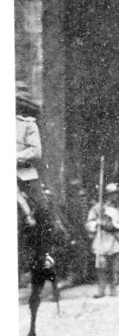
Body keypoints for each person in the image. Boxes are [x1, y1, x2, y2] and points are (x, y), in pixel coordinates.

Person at [16, 81, 54, 271]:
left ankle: (45, 253)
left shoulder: (27, 125)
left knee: (43, 208)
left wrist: (14, 157)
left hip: (23, 175)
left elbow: (35, 151)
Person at [86, 183, 119, 298]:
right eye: (112, 194)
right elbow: (89, 222)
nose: (114, 197)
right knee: (101, 264)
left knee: (114, 265)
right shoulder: (97, 207)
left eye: (116, 194)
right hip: (102, 237)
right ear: (107, 195)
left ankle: (114, 288)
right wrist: (97, 222)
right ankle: (101, 289)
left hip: (114, 237)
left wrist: (111, 220)